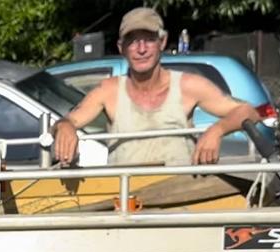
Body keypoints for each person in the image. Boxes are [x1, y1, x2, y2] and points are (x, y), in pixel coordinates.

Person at [53, 7, 260, 166]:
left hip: (180, 201)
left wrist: (217, 130)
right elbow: (68, 121)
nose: (141, 49)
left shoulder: (188, 85)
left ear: (162, 42)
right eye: (133, 41)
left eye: (149, 40)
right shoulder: (109, 90)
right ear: (121, 48)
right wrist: (65, 128)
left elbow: (249, 111)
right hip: (125, 204)